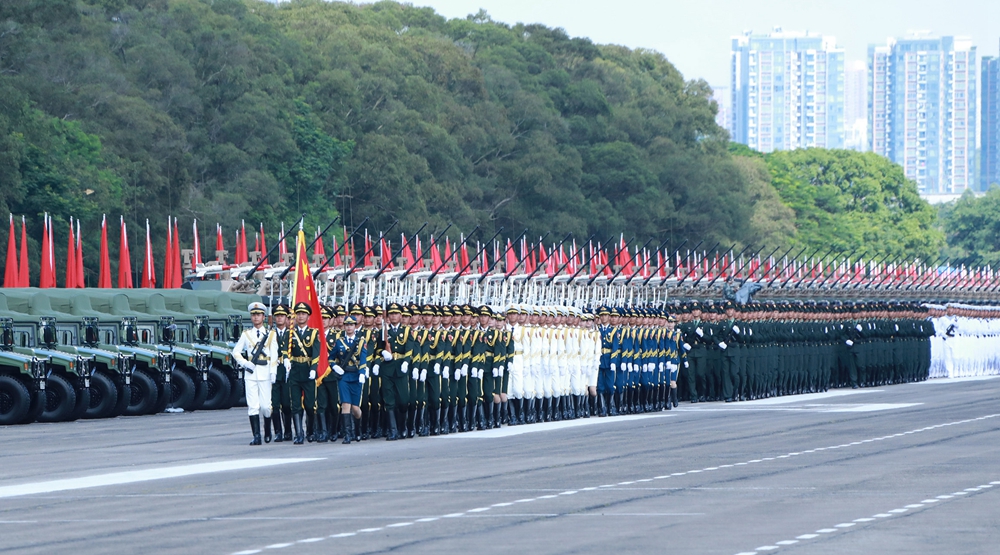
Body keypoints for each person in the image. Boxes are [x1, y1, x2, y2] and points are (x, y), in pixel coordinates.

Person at [231, 302, 278, 446]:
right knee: (253, 406)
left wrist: (273, 372)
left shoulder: (271, 334)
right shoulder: (246, 334)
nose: (256, 317)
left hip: (265, 372)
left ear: (263, 317)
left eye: (258, 315)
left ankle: (267, 429)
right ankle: (256, 436)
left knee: (266, 406)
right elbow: (235, 352)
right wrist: (245, 363)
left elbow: (274, 355)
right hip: (251, 374)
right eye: (253, 315)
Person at [331, 315, 368, 444]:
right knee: (345, 404)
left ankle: (357, 429)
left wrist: (362, 373)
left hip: (356, 376)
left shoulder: (361, 341)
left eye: (351, 325)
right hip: (344, 376)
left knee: (355, 408)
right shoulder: (339, 342)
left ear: (355, 326)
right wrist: (334, 366)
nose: (349, 327)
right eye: (346, 325)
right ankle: (348, 434)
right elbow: (331, 358)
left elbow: (363, 359)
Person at [287, 302, 319, 445]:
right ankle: (299, 434)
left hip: (307, 370)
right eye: (298, 314)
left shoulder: (313, 333)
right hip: (294, 371)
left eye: (303, 314)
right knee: (295, 405)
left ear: (308, 316)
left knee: (310, 405)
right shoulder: (290, 333)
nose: (300, 316)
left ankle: (310, 431)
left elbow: (316, 352)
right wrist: (286, 361)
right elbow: (285, 350)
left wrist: (313, 368)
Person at [269, 304, 293, 442]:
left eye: (282, 316)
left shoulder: (292, 334)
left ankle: (288, 431)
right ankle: (278, 432)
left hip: (287, 373)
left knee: (287, 404)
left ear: (286, 317)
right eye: (277, 316)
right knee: (275, 405)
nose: (279, 318)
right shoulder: (270, 334)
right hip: (274, 372)